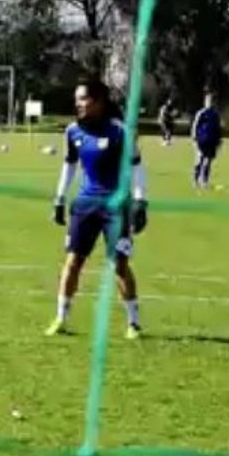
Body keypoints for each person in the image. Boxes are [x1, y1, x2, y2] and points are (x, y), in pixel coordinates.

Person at [46, 78, 148, 340]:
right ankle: (61, 317)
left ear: (99, 102)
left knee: (119, 265)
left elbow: (136, 166)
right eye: (77, 99)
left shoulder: (120, 132)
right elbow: (69, 165)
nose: (78, 104)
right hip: (85, 205)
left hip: (115, 207)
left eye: (83, 99)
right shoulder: (72, 132)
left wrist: (140, 201)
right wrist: (59, 198)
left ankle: (133, 323)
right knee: (72, 262)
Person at [191, 91, 223, 189]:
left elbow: (218, 128)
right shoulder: (201, 113)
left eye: (212, 101)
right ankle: (195, 180)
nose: (210, 103)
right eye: (208, 101)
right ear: (205, 102)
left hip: (212, 141)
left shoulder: (215, 114)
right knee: (199, 160)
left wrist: (219, 140)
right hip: (202, 141)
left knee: (208, 162)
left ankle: (204, 181)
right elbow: (195, 126)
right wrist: (194, 138)